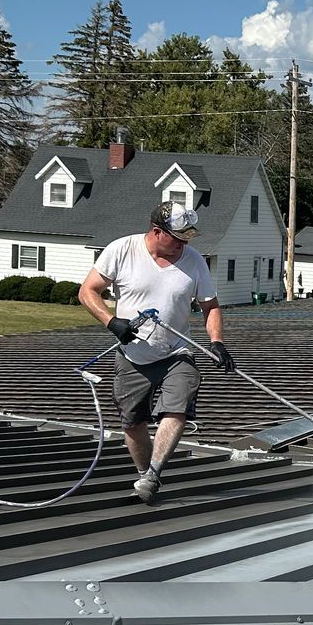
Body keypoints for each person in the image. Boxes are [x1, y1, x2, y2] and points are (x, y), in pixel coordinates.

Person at [78, 201, 236, 503]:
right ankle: (145, 475)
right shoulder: (122, 250)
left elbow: (210, 306)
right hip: (133, 356)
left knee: (178, 404)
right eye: (178, 238)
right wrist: (112, 322)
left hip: (176, 352)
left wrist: (217, 341)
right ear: (157, 232)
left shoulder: (194, 261)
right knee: (133, 422)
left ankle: (153, 473)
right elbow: (87, 291)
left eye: (187, 239)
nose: (183, 245)